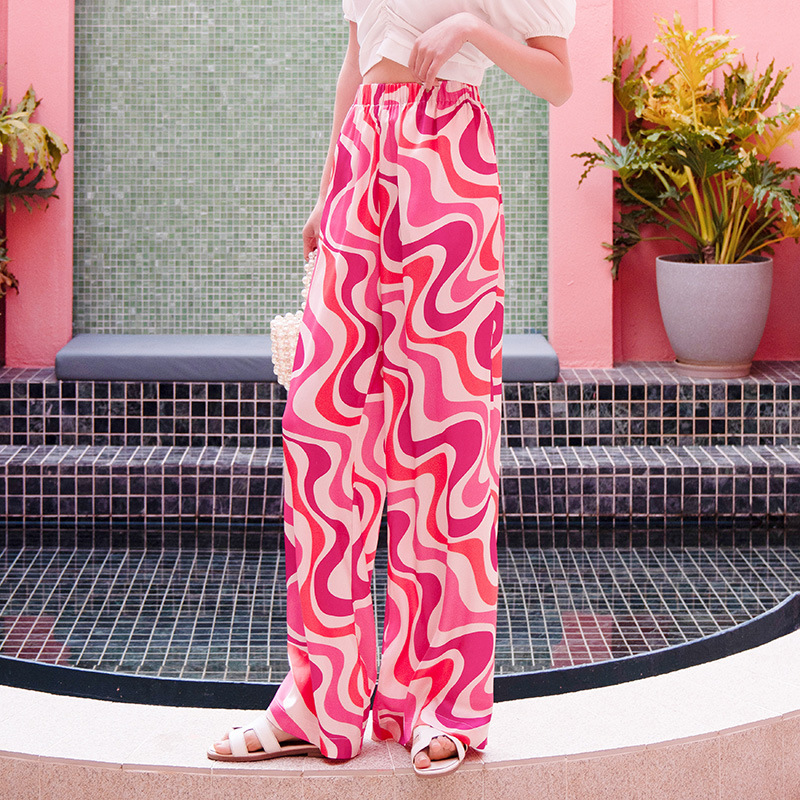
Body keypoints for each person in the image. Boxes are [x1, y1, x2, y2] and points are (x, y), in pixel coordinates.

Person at [209, 0, 574, 777]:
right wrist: (326, 190)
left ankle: (440, 702)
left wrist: (471, 29)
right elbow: (356, 62)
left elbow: (558, 80)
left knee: (443, 442)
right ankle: (319, 702)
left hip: (448, 159)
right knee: (321, 435)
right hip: (360, 158)